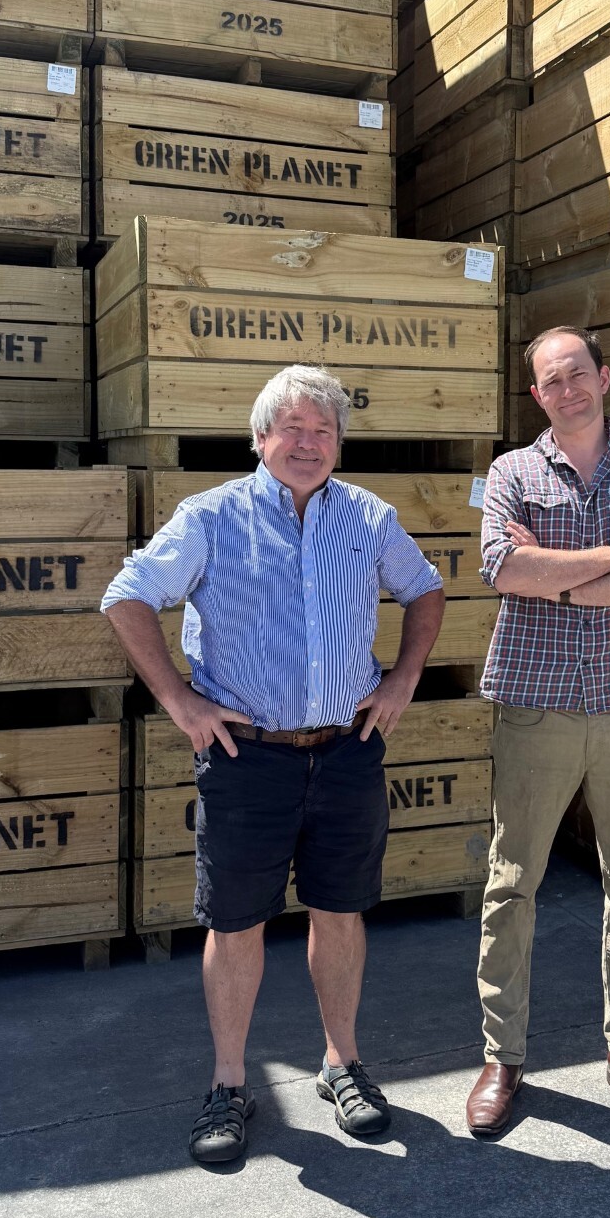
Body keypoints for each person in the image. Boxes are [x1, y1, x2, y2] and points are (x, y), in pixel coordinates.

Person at [102, 365, 445, 1164]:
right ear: (260, 438)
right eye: (293, 428)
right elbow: (126, 597)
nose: (309, 443)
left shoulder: (368, 517)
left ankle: (342, 1064)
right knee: (235, 923)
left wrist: (404, 678)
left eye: (324, 431)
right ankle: (228, 1083)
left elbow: (425, 591)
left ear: (339, 445)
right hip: (246, 757)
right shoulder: (211, 517)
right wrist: (180, 702)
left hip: (347, 751)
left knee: (341, 911)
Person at [466, 325, 610, 1139]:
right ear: (536, 396)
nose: (566, 391)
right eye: (549, 382)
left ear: (604, 378)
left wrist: (556, 577)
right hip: (536, 704)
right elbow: (502, 567)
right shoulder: (511, 472)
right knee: (511, 884)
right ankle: (503, 1057)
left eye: (576, 375)